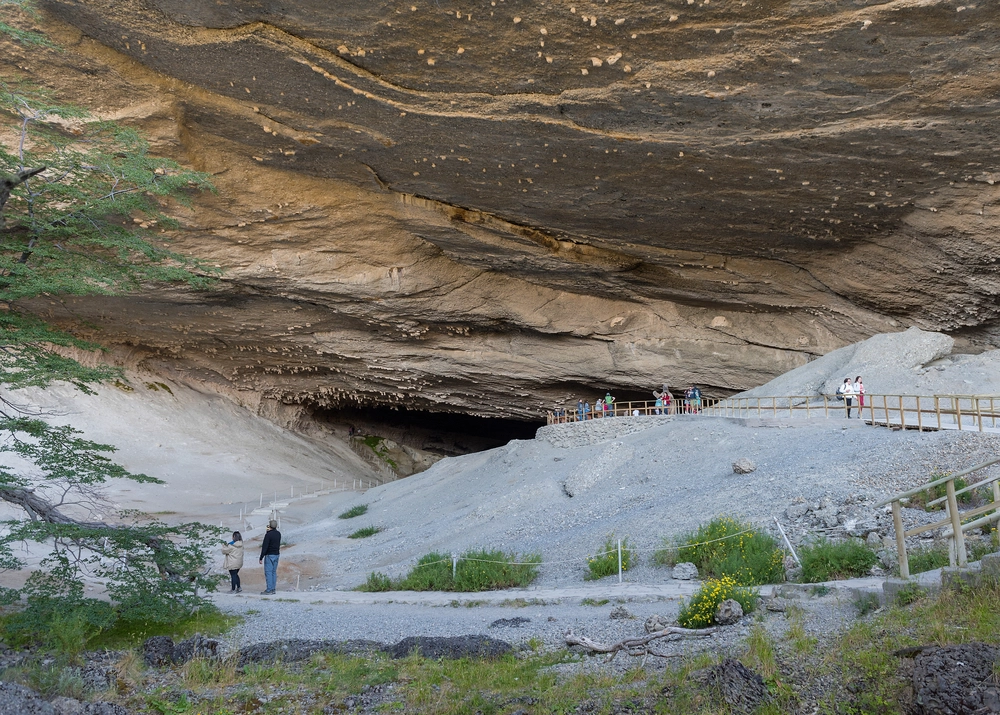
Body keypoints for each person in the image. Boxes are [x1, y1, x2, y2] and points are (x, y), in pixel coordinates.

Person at [259, 519, 281, 595]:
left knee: (268, 572)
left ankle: (269, 589)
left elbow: (265, 547)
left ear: (270, 526)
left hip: (269, 555)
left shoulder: (268, 535)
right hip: (277, 554)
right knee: (273, 572)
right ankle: (273, 588)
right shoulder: (278, 534)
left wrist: (261, 557)